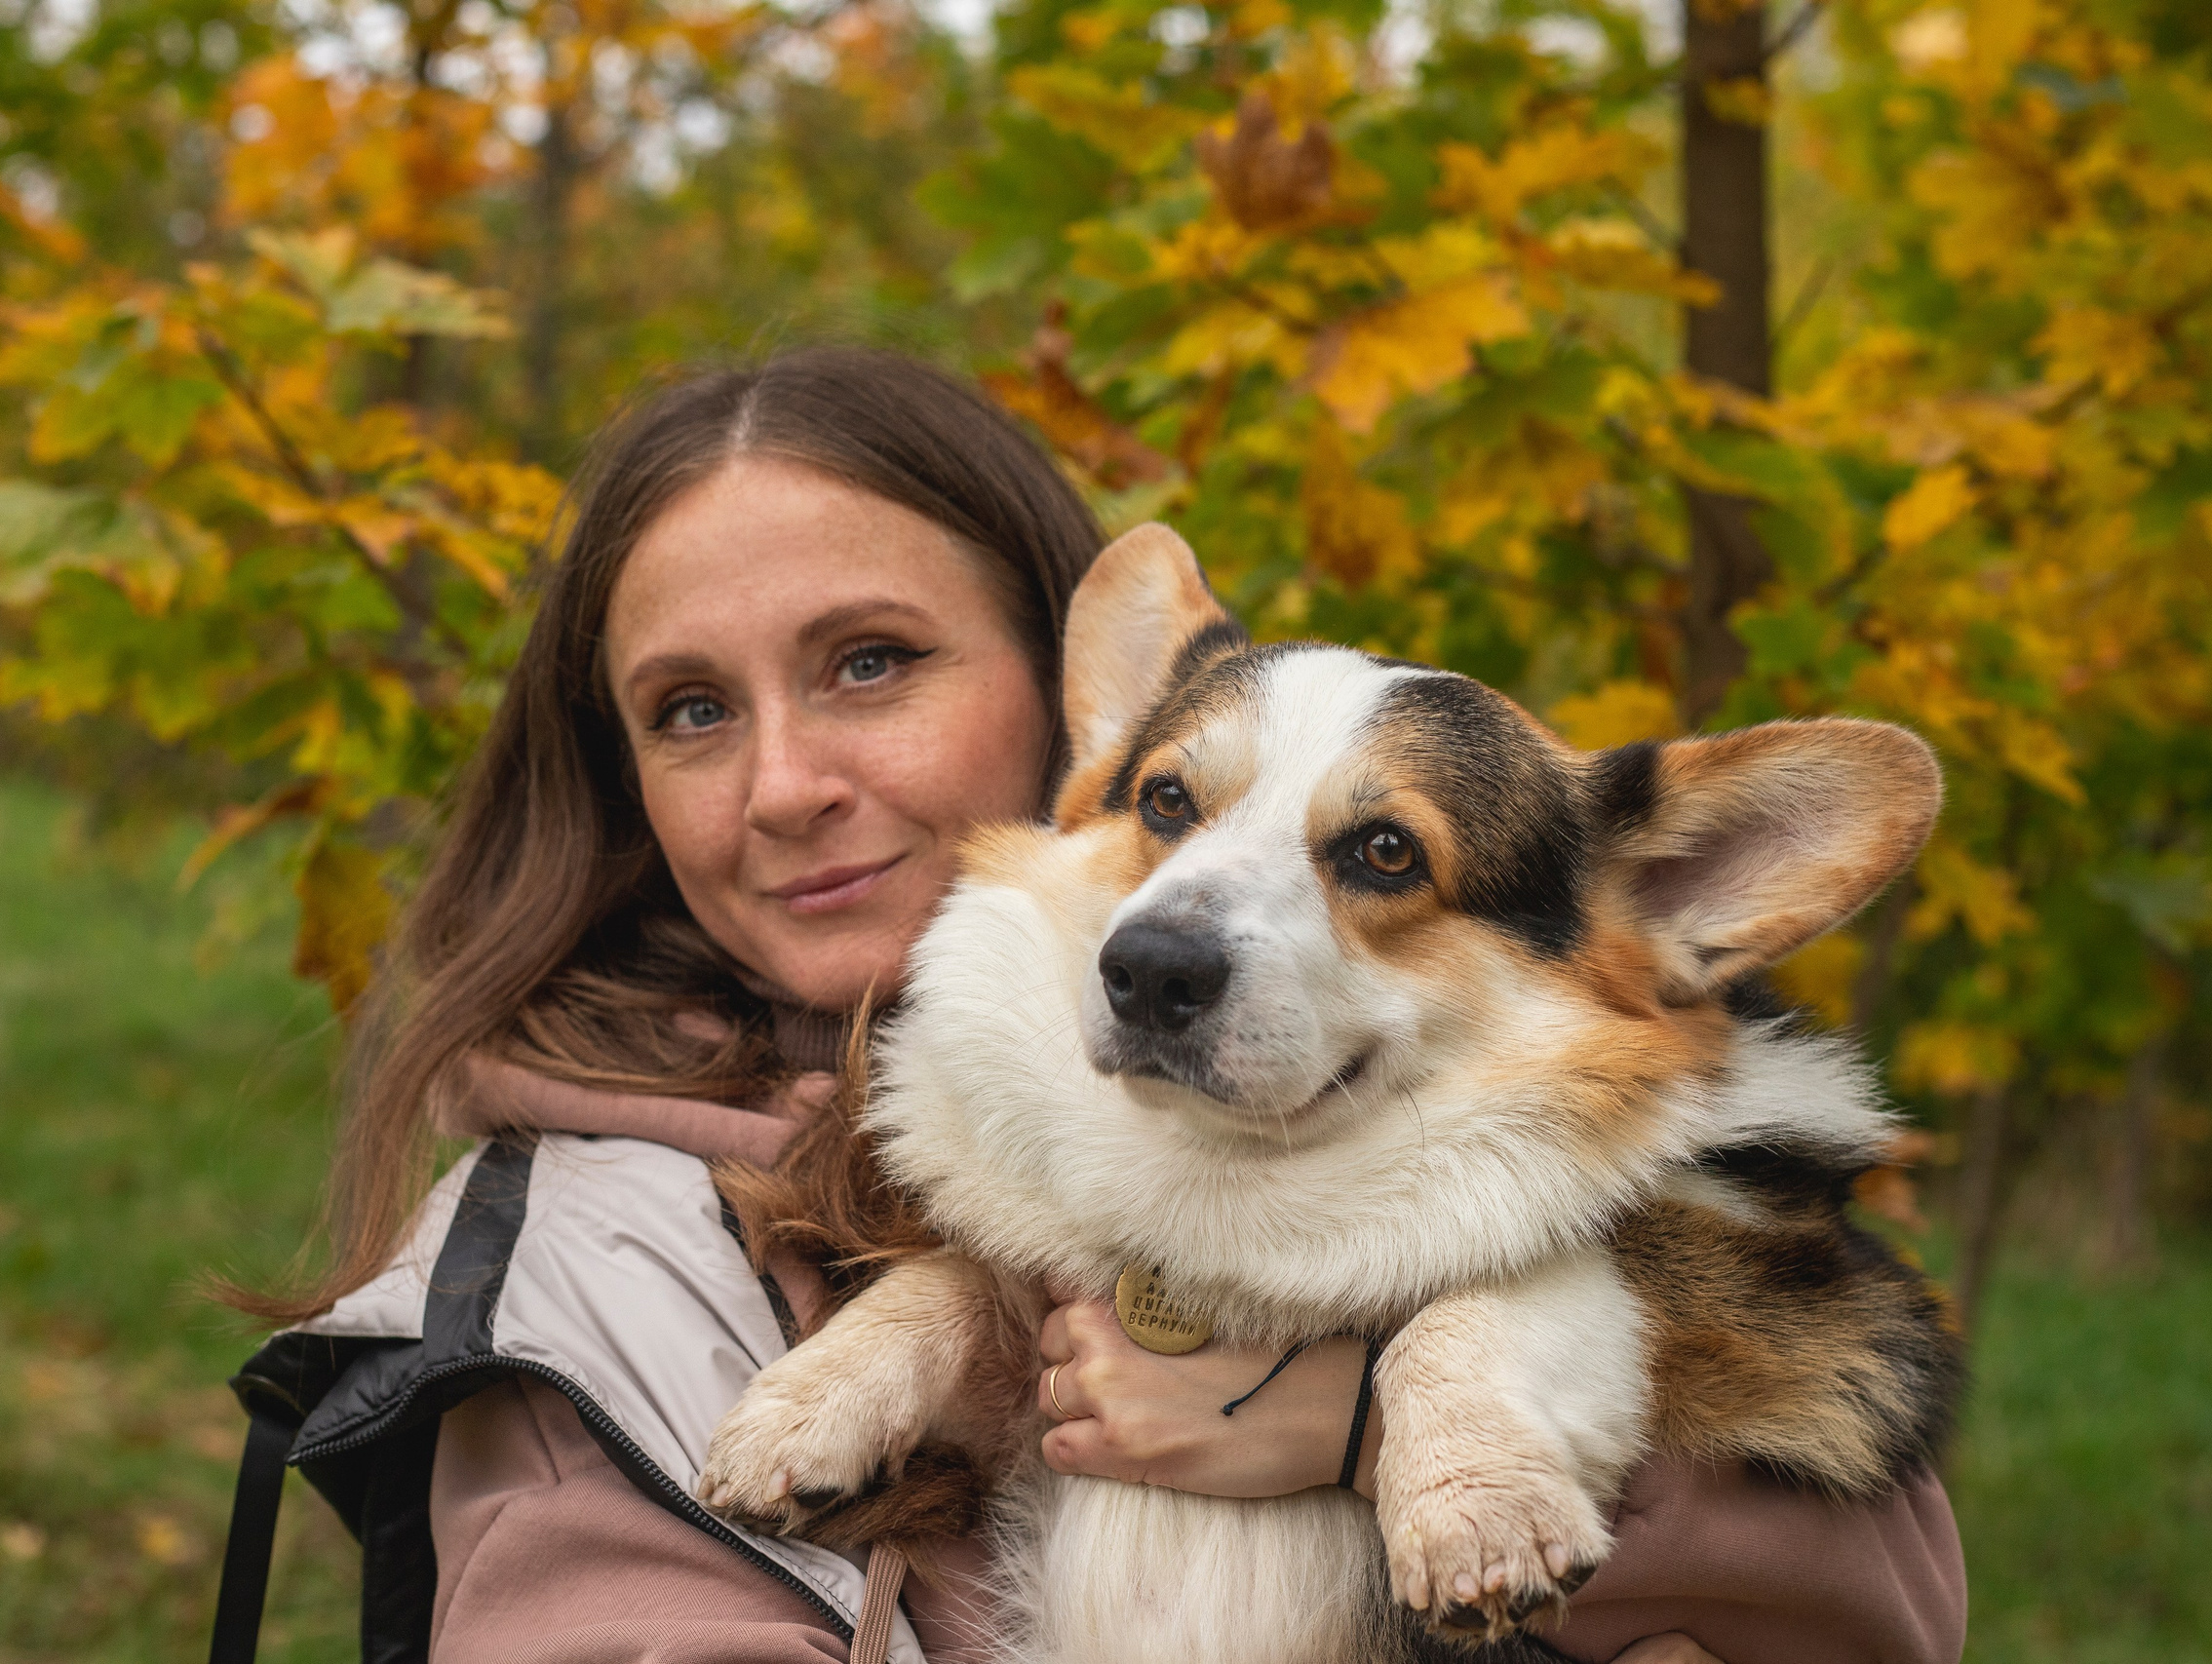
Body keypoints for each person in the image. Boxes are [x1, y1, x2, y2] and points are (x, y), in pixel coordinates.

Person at [229, 347, 1967, 1664]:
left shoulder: (1558, 1188)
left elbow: (1887, 1593)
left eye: (870, 662)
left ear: (1053, 705)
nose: (782, 785)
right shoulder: (582, 1262)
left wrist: (1372, 1420)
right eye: (688, 710)